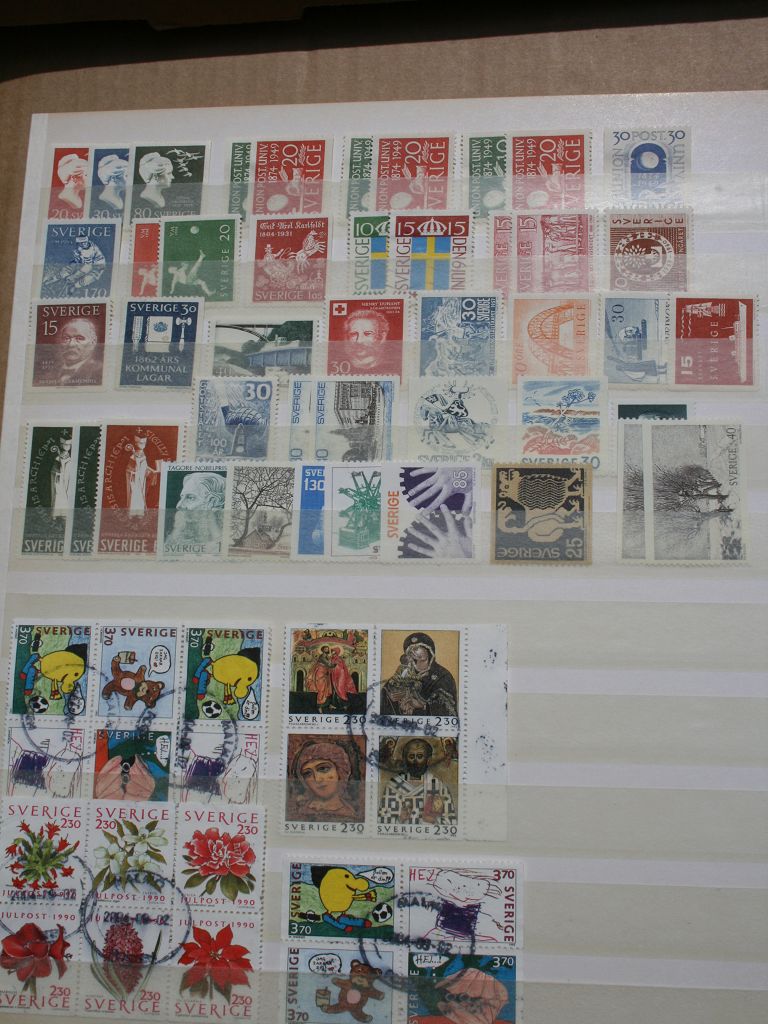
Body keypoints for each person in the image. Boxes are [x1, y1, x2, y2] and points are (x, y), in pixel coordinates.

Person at [378, 737, 457, 826]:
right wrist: (400, 819)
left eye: (420, 756)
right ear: (405, 760)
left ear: (428, 760)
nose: (415, 761)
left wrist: (432, 820)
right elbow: (381, 820)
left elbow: (451, 821)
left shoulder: (438, 786)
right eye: (411, 756)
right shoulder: (394, 785)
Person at [381, 633, 458, 717]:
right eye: (411, 649)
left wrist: (423, 705)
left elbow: (449, 708)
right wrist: (391, 696)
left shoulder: (442, 675)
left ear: (428, 650)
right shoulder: (404, 672)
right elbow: (387, 690)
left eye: (417, 648)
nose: (414, 651)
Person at [290, 739, 359, 821]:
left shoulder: (350, 814)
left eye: (323, 768)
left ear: (340, 771)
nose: (317, 779)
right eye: (307, 774)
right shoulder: (301, 813)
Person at [165, 471, 225, 553]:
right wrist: (177, 530)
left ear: (212, 501)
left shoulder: (225, 545)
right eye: (181, 497)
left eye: (190, 497)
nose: (179, 505)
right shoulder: (184, 535)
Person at [54, 317, 103, 385]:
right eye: (66, 338)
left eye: (79, 338)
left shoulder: (100, 371)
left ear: (93, 342)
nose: (71, 344)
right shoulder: (48, 373)